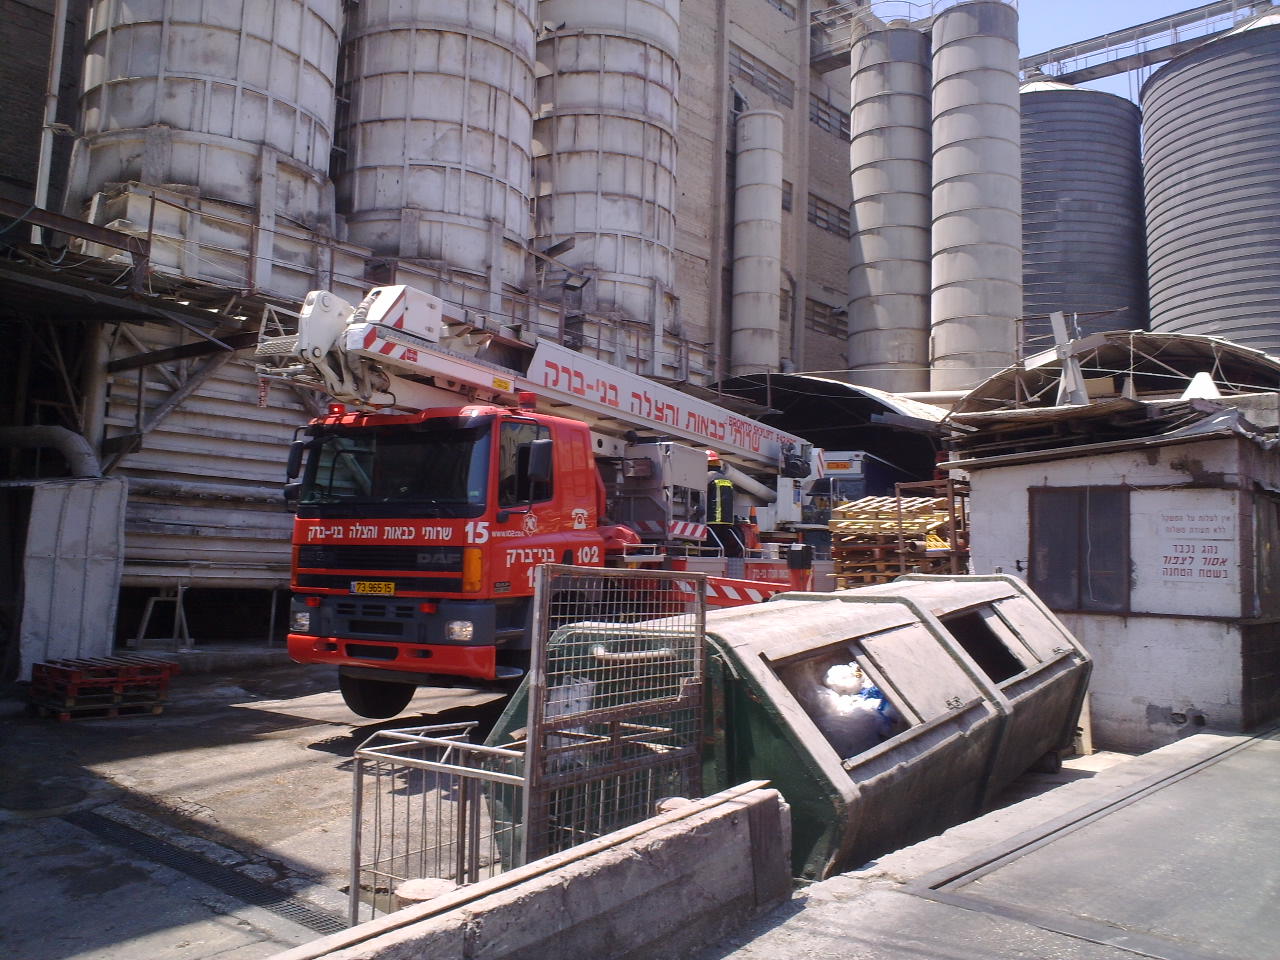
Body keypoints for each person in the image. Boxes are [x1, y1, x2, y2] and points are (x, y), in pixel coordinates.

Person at [705, 450, 744, 557]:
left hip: (712, 518)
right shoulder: (726, 479)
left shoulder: (708, 477)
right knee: (723, 541)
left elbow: (698, 495)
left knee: (711, 545)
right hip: (727, 519)